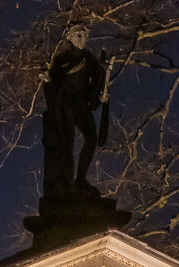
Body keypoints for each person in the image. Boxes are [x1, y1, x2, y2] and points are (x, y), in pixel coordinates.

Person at [40, 24, 109, 201]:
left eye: (83, 35)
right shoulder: (62, 59)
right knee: (66, 145)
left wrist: (101, 88)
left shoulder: (89, 58)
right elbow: (53, 81)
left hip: (81, 106)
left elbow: (98, 78)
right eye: (76, 35)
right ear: (69, 38)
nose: (80, 38)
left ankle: (80, 178)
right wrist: (47, 79)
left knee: (91, 138)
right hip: (64, 106)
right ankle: (68, 184)